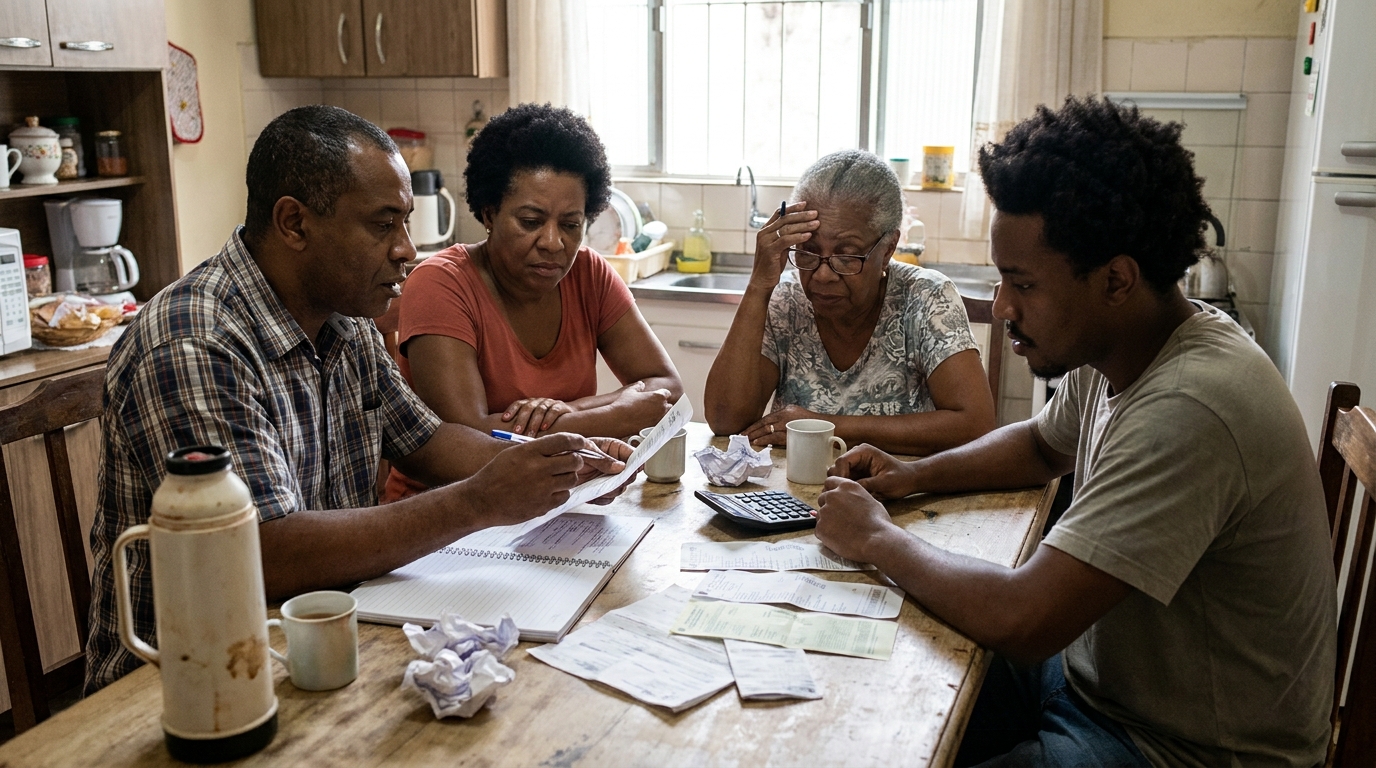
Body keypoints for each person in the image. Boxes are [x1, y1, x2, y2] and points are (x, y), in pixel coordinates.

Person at [814, 96, 1336, 766]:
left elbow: (1025, 619)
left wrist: (877, 538)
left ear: (1116, 279)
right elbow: (1038, 446)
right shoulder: (1130, 342)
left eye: (1021, 284)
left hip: (1177, 748)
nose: (1002, 307)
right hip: (1101, 682)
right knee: (894, 681)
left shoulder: (1194, 406)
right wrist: (912, 475)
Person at [85, 106, 631, 694]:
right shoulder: (195, 341)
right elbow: (264, 556)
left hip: (316, 647)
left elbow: (428, 440)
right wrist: (477, 502)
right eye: (383, 224)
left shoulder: (345, 323)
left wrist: (550, 461)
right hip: (190, 688)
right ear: (294, 224)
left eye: (406, 223)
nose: (405, 250)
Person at [383, 104, 681, 501]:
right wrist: (616, 414)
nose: (554, 242)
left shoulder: (588, 273)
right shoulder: (442, 284)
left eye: (571, 225)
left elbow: (668, 388)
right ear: (489, 213)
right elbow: (468, 438)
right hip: (445, 518)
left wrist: (570, 413)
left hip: (554, 502)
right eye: (530, 221)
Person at [703, 149, 995, 456]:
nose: (823, 275)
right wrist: (758, 286)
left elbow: (975, 425)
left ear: (888, 248)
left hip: (898, 497)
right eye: (807, 252)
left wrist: (824, 427)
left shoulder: (925, 298)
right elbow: (725, 421)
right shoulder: (787, 299)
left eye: (846, 256)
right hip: (793, 496)